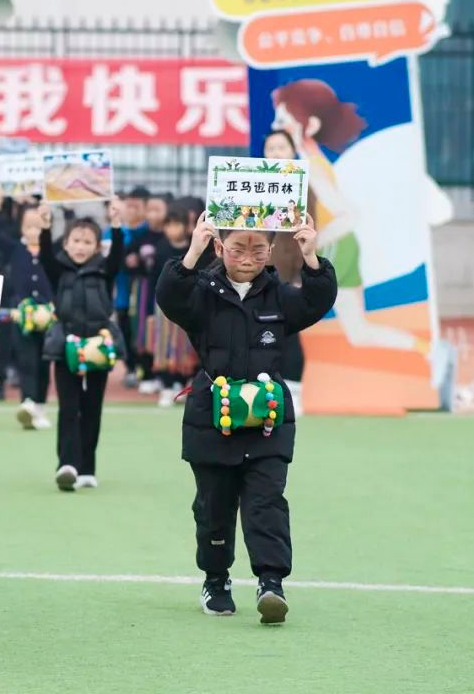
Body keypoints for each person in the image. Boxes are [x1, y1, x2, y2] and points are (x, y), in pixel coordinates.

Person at [156, 211, 336, 625]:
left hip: (268, 420)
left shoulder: (279, 296)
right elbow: (170, 298)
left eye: (258, 249)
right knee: (214, 506)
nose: (248, 257)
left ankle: (271, 583)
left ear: (270, 251)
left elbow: (316, 301)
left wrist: (311, 258)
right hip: (211, 417)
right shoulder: (201, 293)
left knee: (266, 502)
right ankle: (216, 580)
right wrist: (192, 252)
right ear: (220, 247)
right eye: (238, 248)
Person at [272, 80, 429, 360]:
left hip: (332, 251)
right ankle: (428, 350)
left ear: (310, 125)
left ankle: (430, 351)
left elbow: (349, 215)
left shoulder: (311, 169)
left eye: (283, 120)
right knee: (358, 332)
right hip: (327, 250)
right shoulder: (303, 161)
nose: (276, 126)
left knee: (286, 309)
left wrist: (314, 241)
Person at [40, 199, 125, 491]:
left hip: (98, 345)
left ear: (97, 247)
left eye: (87, 242)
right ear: (66, 243)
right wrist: (46, 225)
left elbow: (117, 257)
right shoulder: (58, 270)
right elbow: (45, 255)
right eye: (75, 240)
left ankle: (87, 468)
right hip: (65, 344)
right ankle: (67, 465)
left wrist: (116, 224)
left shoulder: (104, 270)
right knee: (69, 407)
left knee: (92, 407)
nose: (80, 246)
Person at [262, 129, 310, 412]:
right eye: (270, 148)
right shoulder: (253, 185)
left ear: (293, 151)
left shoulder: (304, 187)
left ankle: (294, 392)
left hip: (289, 274)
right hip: (257, 269)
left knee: (289, 332)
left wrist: (298, 274)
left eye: (281, 147)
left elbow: (307, 233)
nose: (276, 153)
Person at [149, 200, 199, 407]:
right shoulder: (161, 248)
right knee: (165, 345)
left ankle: (186, 383)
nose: (172, 229)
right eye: (168, 225)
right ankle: (167, 386)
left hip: (187, 305)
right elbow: (154, 278)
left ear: (187, 226)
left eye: (177, 224)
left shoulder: (193, 248)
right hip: (163, 306)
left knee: (186, 346)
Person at [9, 202, 54, 430]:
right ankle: (27, 403)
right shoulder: (16, 250)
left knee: (44, 364)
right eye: (28, 226)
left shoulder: (51, 251)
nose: (33, 231)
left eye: (38, 226)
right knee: (26, 361)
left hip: (47, 317)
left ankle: (40, 407)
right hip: (22, 316)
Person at [126, 193, 172, 395]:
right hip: (144, 289)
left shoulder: (169, 238)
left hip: (165, 289)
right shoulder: (140, 236)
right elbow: (127, 259)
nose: (153, 214)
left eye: (157, 209)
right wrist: (131, 260)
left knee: (164, 331)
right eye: (150, 209)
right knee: (143, 330)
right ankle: (146, 374)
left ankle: (164, 375)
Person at [106, 186, 150, 388]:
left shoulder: (147, 232)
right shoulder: (111, 232)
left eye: (135, 206)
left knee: (142, 331)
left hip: (142, 294)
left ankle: (146, 370)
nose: (130, 210)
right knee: (124, 330)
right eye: (128, 206)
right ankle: (131, 368)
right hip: (120, 292)